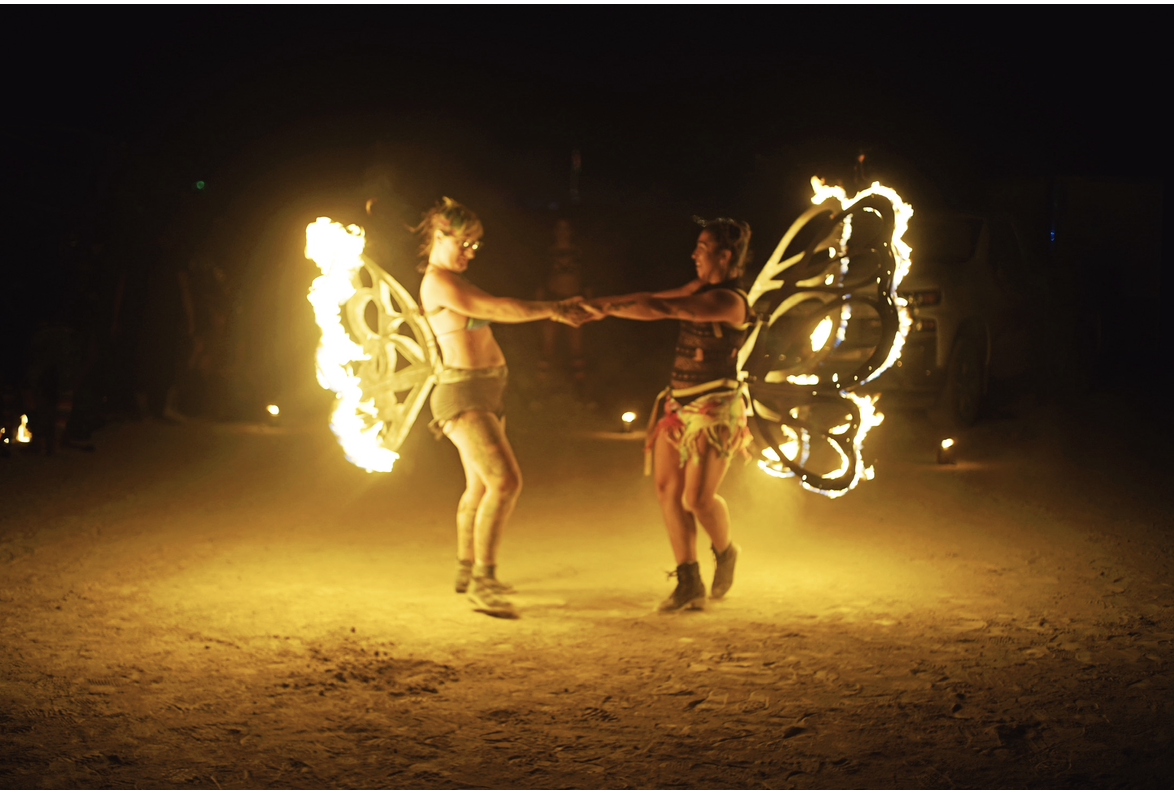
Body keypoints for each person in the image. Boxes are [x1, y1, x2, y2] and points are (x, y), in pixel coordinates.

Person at [416, 198, 591, 618]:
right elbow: (496, 309)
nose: (470, 253)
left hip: (487, 392)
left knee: (480, 487)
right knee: (506, 482)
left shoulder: (454, 279)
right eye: (464, 243)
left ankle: (466, 569)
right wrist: (554, 309)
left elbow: (491, 309)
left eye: (476, 246)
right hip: (463, 395)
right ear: (439, 237)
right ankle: (483, 580)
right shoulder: (439, 282)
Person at [585, 217, 753, 611]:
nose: (694, 255)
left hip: (715, 410)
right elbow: (655, 297)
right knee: (667, 491)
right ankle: (689, 580)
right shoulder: (701, 288)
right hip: (677, 404)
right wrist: (601, 308)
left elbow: (661, 307)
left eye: (703, 247)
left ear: (724, 256)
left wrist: (604, 308)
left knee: (697, 498)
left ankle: (726, 551)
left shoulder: (730, 301)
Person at [536, 218, 588, 388]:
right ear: (555, 231)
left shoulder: (578, 252)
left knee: (576, 345)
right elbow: (541, 276)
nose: (563, 232)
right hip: (553, 299)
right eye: (560, 228)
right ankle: (541, 385)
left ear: (571, 232)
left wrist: (588, 298)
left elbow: (586, 274)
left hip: (574, 299)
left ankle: (580, 386)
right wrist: (539, 303)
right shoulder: (549, 252)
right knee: (548, 344)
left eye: (566, 229)